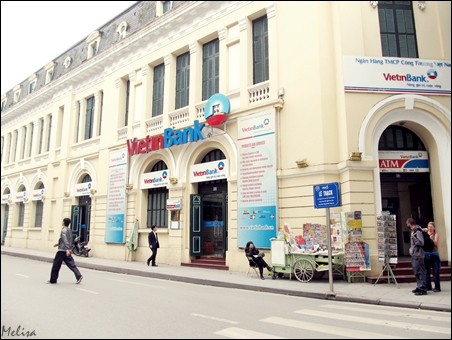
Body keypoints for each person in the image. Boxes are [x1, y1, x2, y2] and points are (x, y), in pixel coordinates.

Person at [47, 218, 83, 284]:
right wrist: (60, 244)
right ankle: (79, 275)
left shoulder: (63, 230)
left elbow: (65, 240)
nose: (62, 222)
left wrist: (67, 249)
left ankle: (53, 280)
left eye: (62, 221)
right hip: (66, 250)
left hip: (62, 250)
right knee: (71, 264)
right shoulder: (69, 230)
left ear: (63, 222)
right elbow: (70, 240)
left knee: (56, 265)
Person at [406, 218, 427, 295]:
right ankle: (419, 286)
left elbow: (421, 243)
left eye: (407, 223)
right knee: (416, 271)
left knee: (420, 271)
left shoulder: (418, 231)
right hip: (415, 254)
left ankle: (423, 288)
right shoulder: (413, 231)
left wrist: (414, 238)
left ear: (410, 223)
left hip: (419, 254)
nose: (406, 225)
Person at [423, 221, 441, 292]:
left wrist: (429, 238)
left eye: (431, 227)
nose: (429, 228)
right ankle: (428, 286)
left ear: (434, 228)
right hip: (426, 254)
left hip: (434, 255)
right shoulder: (426, 234)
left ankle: (437, 287)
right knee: (427, 271)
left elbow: (435, 243)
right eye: (428, 227)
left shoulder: (436, 234)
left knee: (436, 271)